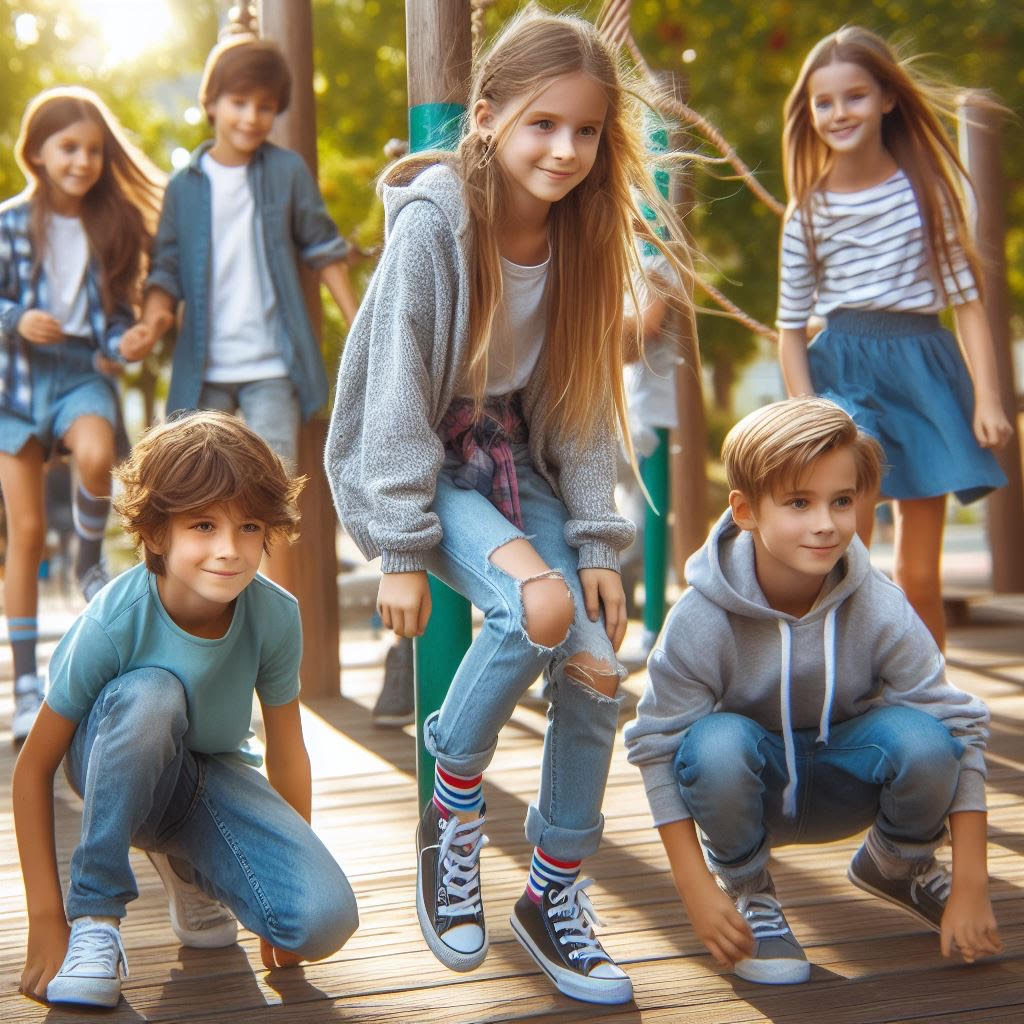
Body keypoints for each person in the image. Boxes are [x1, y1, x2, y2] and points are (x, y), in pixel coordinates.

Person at [325, 7, 691, 1006]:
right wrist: (399, 547)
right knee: (535, 607)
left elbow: (573, 402)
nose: (564, 150)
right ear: (486, 116)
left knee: (599, 664)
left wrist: (599, 538)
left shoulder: (583, 231)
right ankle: (453, 802)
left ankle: (551, 891)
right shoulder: (438, 223)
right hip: (415, 461)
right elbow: (396, 395)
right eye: (541, 125)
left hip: (510, 453)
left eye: (583, 130)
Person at [625, 397, 1002, 985]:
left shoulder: (876, 602)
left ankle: (896, 866)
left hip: (846, 777)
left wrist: (974, 881)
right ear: (746, 511)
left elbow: (961, 725)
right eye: (799, 502)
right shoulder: (702, 617)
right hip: (753, 788)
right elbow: (654, 747)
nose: (826, 523)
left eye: (842, 501)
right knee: (714, 742)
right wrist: (695, 889)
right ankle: (751, 892)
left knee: (927, 742)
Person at [12, 412, 358, 1009]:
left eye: (248, 526)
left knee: (322, 919)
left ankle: (189, 869)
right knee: (152, 696)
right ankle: (98, 919)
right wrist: (47, 918)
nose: (229, 550)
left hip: (207, 779)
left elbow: (287, 748)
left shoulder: (275, 616)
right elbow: (32, 768)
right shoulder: (116, 619)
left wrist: (280, 870)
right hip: (110, 761)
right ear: (155, 533)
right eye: (203, 525)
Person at [775, 25, 1012, 652]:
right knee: (845, 562)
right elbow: (790, 330)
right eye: (823, 102)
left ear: (886, 98)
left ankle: (932, 701)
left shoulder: (930, 191)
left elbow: (967, 303)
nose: (837, 113)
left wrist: (988, 397)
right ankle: (844, 696)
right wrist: (808, 414)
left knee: (917, 574)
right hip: (842, 376)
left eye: (854, 96)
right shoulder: (808, 212)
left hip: (924, 373)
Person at [125, 34, 359, 594]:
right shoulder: (184, 187)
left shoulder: (286, 172)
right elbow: (167, 268)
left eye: (265, 107)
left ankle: (268, 624)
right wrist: (153, 322)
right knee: (190, 491)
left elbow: (323, 247)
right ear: (212, 103)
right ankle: (196, 613)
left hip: (272, 364)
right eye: (239, 102)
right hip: (204, 367)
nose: (252, 117)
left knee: (271, 496)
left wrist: (360, 321)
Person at [0, 87, 163, 743]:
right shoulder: (9, 222)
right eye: (69, 147)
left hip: (78, 374)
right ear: (37, 152)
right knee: (27, 531)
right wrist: (15, 319)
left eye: (94, 150)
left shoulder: (112, 223)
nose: (84, 161)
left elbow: (118, 313)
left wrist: (125, 339)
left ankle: (88, 558)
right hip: (14, 381)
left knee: (100, 455)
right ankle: (26, 683)